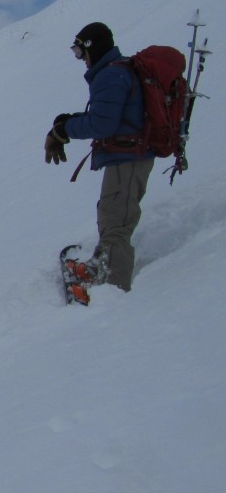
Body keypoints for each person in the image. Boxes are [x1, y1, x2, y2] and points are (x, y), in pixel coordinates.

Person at [44, 22, 154, 292]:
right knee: (111, 213)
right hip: (127, 154)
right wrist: (69, 123)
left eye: (79, 52)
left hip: (129, 157)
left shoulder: (110, 76)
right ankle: (102, 267)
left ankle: (114, 289)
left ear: (92, 48)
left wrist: (64, 130)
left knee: (116, 221)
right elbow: (114, 117)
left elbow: (104, 124)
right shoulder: (116, 71)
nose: (79, 59)